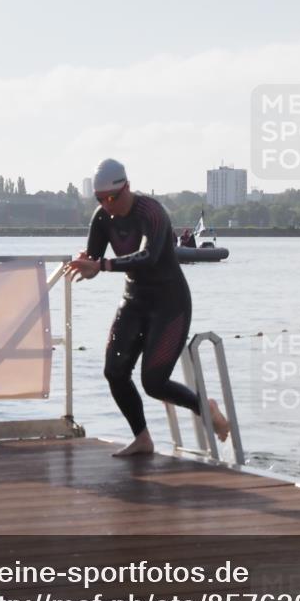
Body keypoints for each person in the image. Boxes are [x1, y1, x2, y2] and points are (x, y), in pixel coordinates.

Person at [66, 159, 229, 457]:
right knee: (114, 372)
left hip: (170, 302)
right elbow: (95, 259)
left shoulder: (151, 213)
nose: (107, 205)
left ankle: (205, 407)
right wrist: (87, 263)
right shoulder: (102, 218)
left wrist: (100, 265)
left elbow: (147, 257)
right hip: (135, 299)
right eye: (100, 199)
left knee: (153, 382)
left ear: (127, 187)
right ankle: (142, 438)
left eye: (112, 198)